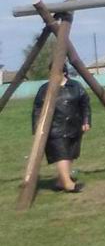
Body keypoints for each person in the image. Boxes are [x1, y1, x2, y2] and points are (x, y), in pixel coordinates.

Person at [31, 62, 91, 193]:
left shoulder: (76, 86)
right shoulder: (45, 89)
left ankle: (60, 181)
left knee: (70, 154)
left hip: (74, 126)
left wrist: (86, 121)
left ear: (63, 72)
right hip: (54, 127)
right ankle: (69, 184)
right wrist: (37, 127)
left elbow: (85, 104)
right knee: (61, 154)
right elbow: (37, 108)